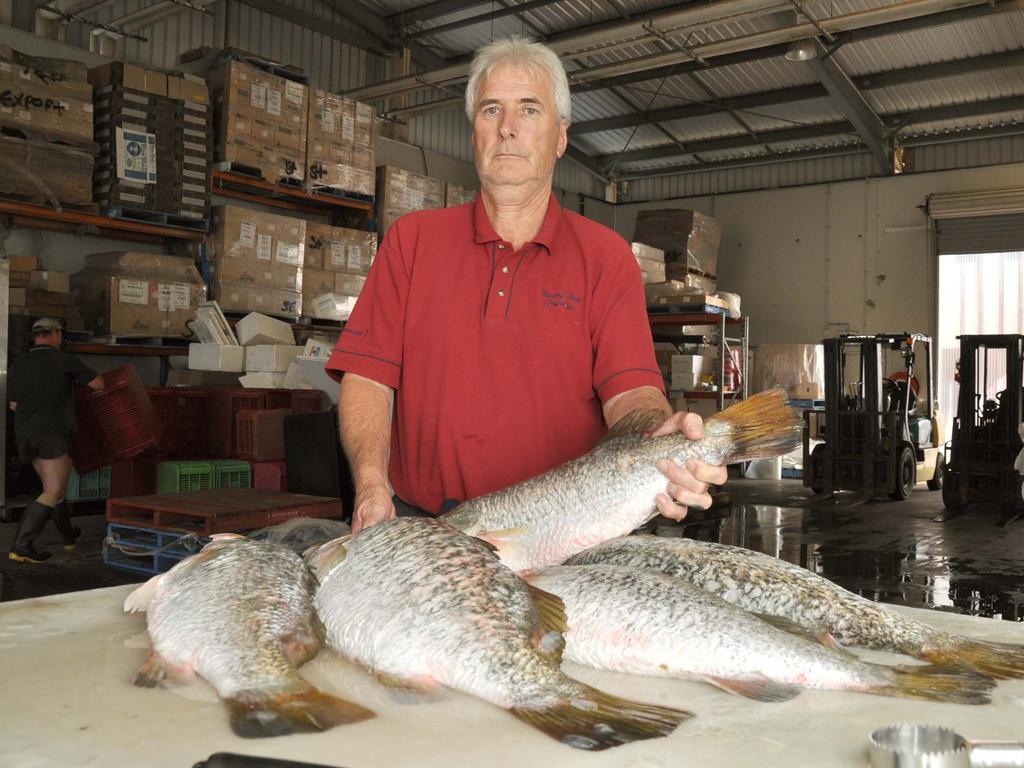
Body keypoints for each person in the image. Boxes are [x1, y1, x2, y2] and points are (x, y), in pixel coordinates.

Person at [326, 36, 727, 533]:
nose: (508, 129)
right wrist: (370, 485)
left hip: (562, 534)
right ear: (474, 132)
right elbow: (368, 376)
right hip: (421, 526)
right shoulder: (413, 241)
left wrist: (656, 433)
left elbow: (629, 391)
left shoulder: (605, 257)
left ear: (561, 136)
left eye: (529, 110)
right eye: (491, 110)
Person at [7, 317, 105, 563]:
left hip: (26, 435)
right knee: (52, 491)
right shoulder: (64, 360)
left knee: (56, 490)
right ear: (53, 335)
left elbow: (14, 404)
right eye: (60, 335)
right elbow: (99, 384)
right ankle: (22, 546)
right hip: (52, 433)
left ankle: (69, 538)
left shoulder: (18, 364)